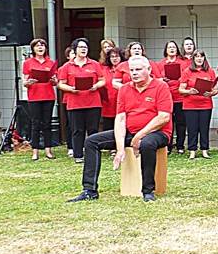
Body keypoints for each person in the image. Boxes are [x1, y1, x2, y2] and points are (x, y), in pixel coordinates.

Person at [68, 55, 172, 203]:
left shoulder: (161, 86)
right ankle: (89, 190)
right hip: (131, 131)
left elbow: (163, 118)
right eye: (132, 70)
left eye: (138, 69)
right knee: (91, 141)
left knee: (147, 143)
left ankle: (148, 191)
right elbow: (121, 119)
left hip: (157, 133)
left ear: (149, 69)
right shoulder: (124, 89)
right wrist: (120, 148)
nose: (134, 73)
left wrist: (139, 137)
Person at [56, 38, 105, 164]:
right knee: (77, 130)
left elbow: (102, 80)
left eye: (86, 47)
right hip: (74, 103)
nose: (84, 49)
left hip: (93, 102)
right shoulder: (67, 66)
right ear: (75, 50)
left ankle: (93, 153)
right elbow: (60, 84)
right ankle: (78, 154)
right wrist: (71, 89)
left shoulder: (94, 64)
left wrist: (96, 86)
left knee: (93, 129)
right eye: (81, 47)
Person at [22, 38, 57, 160]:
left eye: (42, 45)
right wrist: (29, 82)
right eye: (37, 46)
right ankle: (35, 151)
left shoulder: (51, 62)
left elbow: (55, 81)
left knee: (47, 123)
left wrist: (54, 81)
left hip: (48, 96)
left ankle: (48, 149)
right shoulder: (28, 63)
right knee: (35, 123)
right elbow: (24, 82)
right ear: (33, 49)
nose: (40, 47)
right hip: (34, 96)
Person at [179, 49, 217, 159]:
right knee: (192, 129)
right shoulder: (187, 71)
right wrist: (189, 91)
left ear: (204, 58)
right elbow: (181, 89)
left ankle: (205, 150)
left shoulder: (210, 71)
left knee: (204, 128)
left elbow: (215, 89)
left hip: (205, 104)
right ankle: (192, 150)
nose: (199, 58)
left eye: (201, 56)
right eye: (197, 56)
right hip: (190, 105)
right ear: (193, 59)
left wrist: (210, 93)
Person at [160, 40, 189, 154]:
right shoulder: (161, 63)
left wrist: (180, 78)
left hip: (180, 96)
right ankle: (168, 145)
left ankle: (180, 145)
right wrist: (163, 80)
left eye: (174, 47)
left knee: (181, 122)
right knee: (167, 122)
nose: (172, 49)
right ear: (166, 50)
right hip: (166, 96)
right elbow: (157, 77)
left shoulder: (184, 62)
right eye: (169, 47)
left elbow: (187, 75)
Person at [99, 46, 124, 132]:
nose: (114, 59)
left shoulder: (125, 68)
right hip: (108, 103)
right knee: (108, 128)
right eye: (112, 57)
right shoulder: (104, 69)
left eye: (117, 56)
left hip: (122, 102)